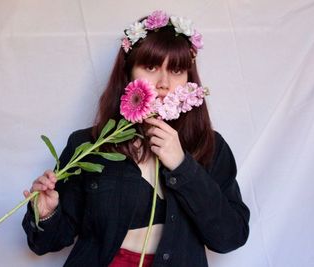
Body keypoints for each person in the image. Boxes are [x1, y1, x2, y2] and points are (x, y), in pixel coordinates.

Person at [22, 10, 250, 267]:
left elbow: (231, 237)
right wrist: (47, 213)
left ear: (189, 79)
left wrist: (183, 166)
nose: (164, 83)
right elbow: (46, 243)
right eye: (151, 67)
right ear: (128, 72)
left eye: (176, 70)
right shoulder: (89, 145)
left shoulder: (209, 146)